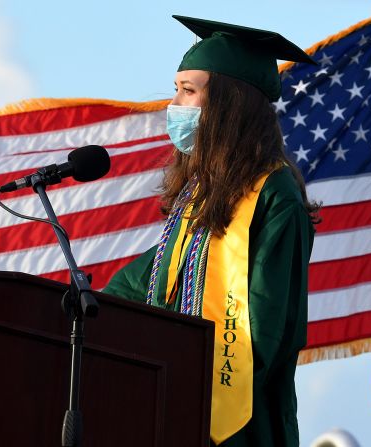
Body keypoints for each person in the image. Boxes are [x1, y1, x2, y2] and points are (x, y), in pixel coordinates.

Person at [104, 15, 319, 447]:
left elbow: (265, 331)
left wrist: (187, 383)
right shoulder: (200, 196)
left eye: (188, 91)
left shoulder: (275, 197)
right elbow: (143, 283)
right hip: (177, 406)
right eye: (176, 89)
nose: (174, 105)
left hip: (240, 422)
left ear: (228, 103)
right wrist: (86, 310)